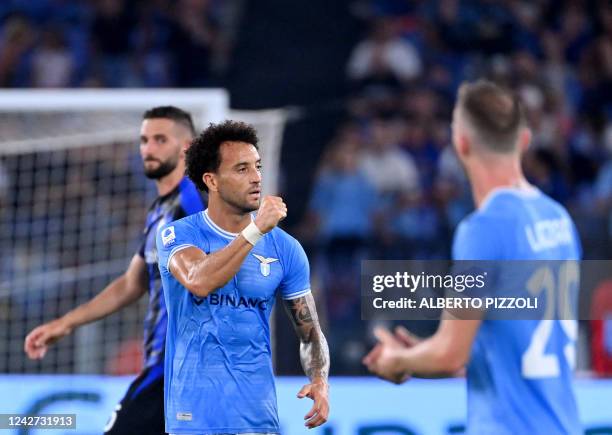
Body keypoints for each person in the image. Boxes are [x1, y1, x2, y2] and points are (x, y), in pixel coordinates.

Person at [364, 80, 582, 434]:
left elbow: (452, 354)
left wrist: (398, 360)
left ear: (461, 143)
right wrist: (423, 351)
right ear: (524, 140)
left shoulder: (482, 229)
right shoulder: (558, 218)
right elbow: (507, 343)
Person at [24, 106, 205, 435]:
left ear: (187, 147)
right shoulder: (159, 212)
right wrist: (65, 323)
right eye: (144, 140)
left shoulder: (193, 203)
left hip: (179, 366)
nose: (148, 148)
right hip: (167, 366)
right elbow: (130, 284)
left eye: (160, 139)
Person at [156, 120, 330, 435]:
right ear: (212, 181)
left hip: (257, 419)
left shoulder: (286, 249)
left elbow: (310, 334)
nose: (257, 178)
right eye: (241, 169)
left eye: (257, 167)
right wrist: (255, 231)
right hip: (193, 418)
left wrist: (319, 380)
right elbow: (199, 280)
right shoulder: (178, 235)